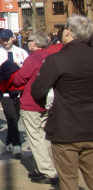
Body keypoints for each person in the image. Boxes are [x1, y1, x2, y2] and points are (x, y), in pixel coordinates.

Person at [32, 15, 93, 190]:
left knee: (68, 181)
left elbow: (38, 91)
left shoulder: (57, 60)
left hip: (65, 129)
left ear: (68, 32)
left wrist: (48, 106)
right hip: (89, 127)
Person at [11, 30, 58, 185]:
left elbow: (19, 79)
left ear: (35, 43)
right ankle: (42, 168)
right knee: (44, 137)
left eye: (29, 40)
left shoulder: (33, 59)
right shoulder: (51, 57)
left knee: (35, 138)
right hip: (48, 102)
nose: (28, 42)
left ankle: (47, 171)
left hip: (31, 103)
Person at [0, 27, 28, 155]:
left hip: (19, 89)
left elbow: (27, 70)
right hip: (4, 89)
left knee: (16, 117)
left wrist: (19, 66)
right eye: (2, 40)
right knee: (10, 116)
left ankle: (9, 140)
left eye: (7, 40)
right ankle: (17, 145)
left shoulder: (22, 52)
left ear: (13, 38)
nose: (5, 42)